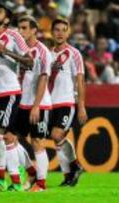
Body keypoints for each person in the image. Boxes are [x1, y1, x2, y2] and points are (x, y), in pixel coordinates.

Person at [0, 3, 33, 192]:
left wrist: (7, 52)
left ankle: (1, 181)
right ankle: (19, 179)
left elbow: (30, 61)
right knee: (8, 138)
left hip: (9, 92)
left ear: (7, 19)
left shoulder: (13, 36)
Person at [10, 15, 53, 192]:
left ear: (34, 30)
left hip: (39, 104)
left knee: (36, 141)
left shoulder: (42, 51)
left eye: (25, 28)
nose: (21, 31)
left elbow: (43, 79)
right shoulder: (19, 50)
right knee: (9, 138)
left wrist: (36, 105)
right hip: (22, 102)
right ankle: (31, 171)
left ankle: (41, 184)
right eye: (19, 28)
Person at [49, 18, 87, 187]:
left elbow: (80, 81)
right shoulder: (48, 53)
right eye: (57, 29)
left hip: (66, 101)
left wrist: (81, 106)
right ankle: (69, 176)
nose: (60, 33)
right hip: (50, 103)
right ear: (52, 32)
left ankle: (75, 165)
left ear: (68, 32)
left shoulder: (74, 54)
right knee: (57, 140)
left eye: (64, 30)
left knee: (57, 135)